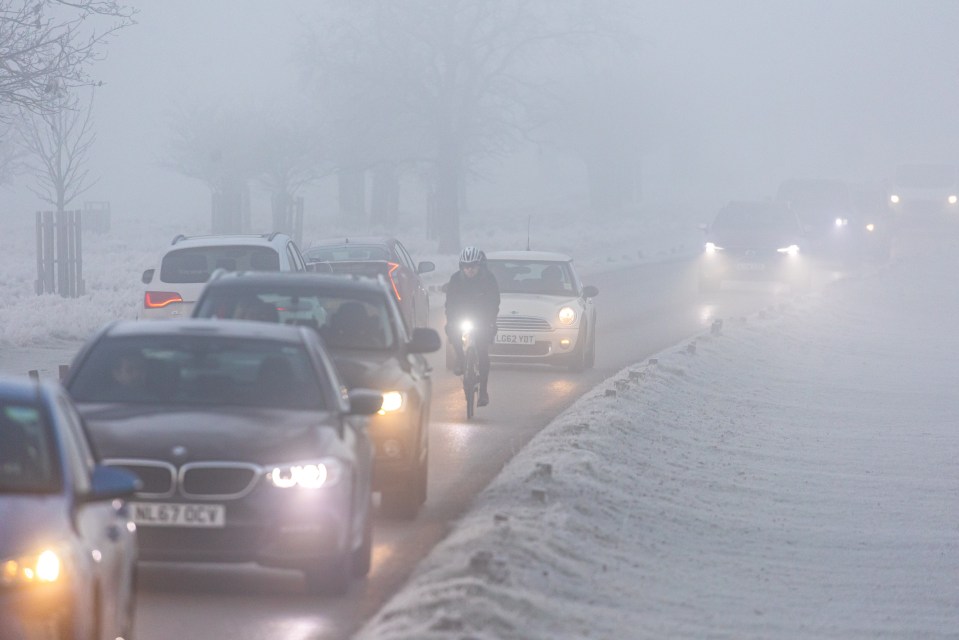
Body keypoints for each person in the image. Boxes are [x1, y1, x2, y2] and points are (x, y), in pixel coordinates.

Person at [444, 246, 500, 407]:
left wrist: (490, 320)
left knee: (482, 352)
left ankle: (483, 391)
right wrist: (450, 320)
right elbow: (450, 304)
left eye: (473, 266)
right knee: (451, 330)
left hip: (482, 318)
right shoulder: (455, 279)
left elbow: (494, 301)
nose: (469, 270)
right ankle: (461, 360)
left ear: (479, 266)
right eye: (466, 266)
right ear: (461, 267)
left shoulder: (489, 279)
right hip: (462, 315)